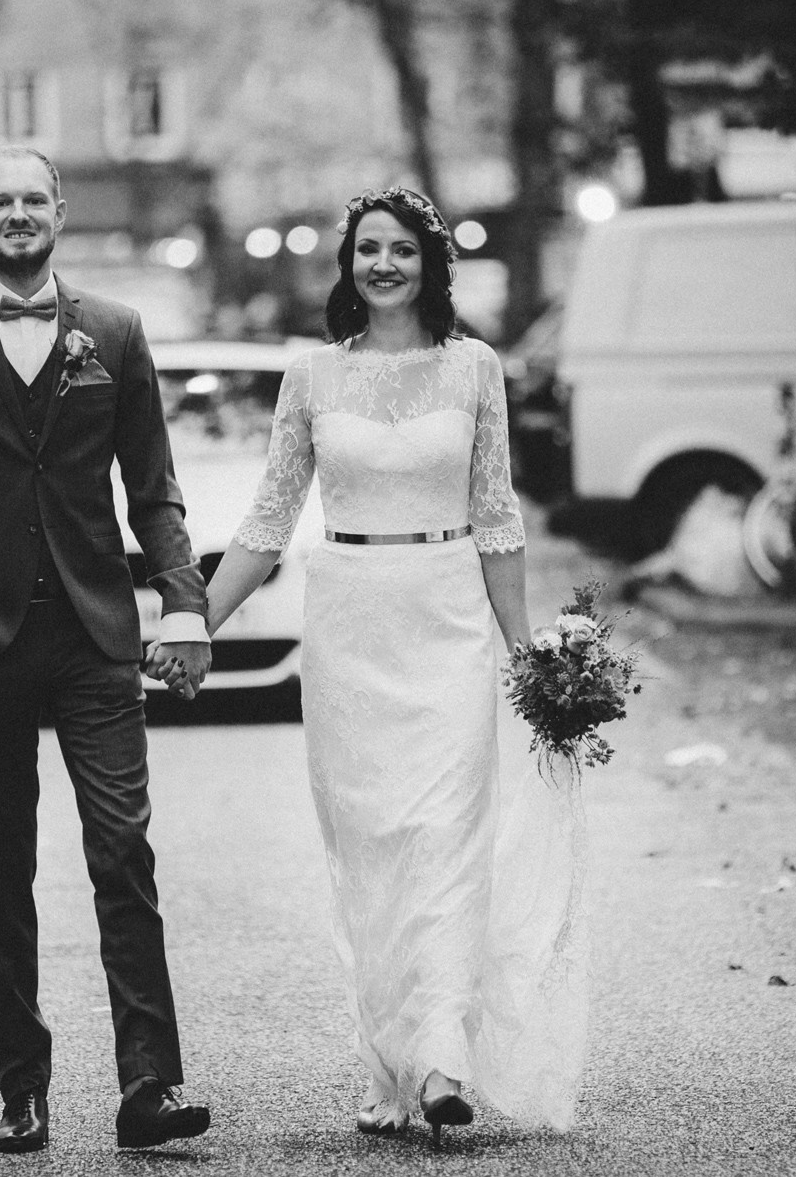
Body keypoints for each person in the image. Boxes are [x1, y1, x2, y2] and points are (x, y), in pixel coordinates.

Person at [204, 188, 589, 1142]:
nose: (383, 265)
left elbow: (497, 518)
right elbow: (267, 520)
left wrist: (526, 653)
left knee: (449, 835)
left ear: (429, 265)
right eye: (367, 250)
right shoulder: (311, 377)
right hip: (349, 622)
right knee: (372, 847)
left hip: (447, 611)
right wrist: (193, 624)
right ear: (348, 266)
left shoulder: (474, 370)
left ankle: (446, 1058)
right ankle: (390, 1063)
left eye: (401, 251)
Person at [0, 146, 213, 1154]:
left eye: (34, 199)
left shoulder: (115, 330)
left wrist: (180, 603)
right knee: (2, 863)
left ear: (61, 210)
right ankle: (22, 1087)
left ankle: (150, 1084)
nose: (18, 214)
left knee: (122, 851)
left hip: (96, 631)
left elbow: (153, 488)